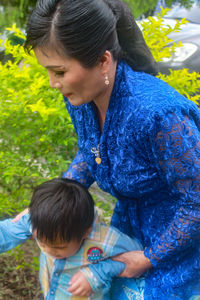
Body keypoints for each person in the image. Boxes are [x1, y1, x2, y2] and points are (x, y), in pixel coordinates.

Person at [14, 0, 200, 298]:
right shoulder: (83, 97)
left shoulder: (158, 116)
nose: (52, 83)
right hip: (128, 228)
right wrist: (53, 201)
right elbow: (94, 151)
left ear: (103, 60)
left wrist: (149, 257)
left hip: (181, 242)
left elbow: (196, 202)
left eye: (59, 71)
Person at [0, 178, 144, 300]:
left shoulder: (105, 240)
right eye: (42, 243)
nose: (49, 251)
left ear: (85, 233)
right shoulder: (38, 222)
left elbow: (137, 256)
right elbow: (6, 233)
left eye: (60, 247)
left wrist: (97, 273)